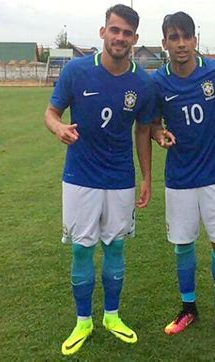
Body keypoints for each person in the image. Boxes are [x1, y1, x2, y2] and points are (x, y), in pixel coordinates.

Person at [44, 4, 157, 356]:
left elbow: (143, 130)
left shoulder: (143, 81)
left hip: (120, 178)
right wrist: (59, 127)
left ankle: (111, 315)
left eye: (127, 33)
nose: (120, 37)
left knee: (116, 246)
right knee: (81, 247)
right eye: (115, 30)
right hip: (80, 177)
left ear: (135, 40)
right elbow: (51, 112)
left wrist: (147, 177)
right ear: (103, 32)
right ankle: (83, 321)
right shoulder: (77, 71)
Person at [151, 12, 215, 344]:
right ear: (164, 44)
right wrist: (160, 134)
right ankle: (188, 307)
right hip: (178, 178)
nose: (180, 44)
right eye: (173, 38)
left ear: (195, 40)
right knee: (182, 245)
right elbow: (152, 123)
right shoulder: (157, 81)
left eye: (185, 37)